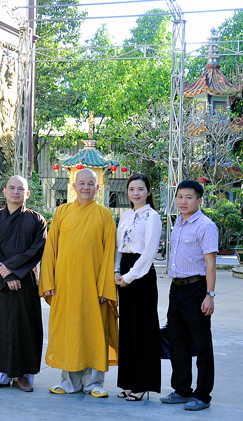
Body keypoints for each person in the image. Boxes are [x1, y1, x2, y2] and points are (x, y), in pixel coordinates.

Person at [39, 167, 118, 398]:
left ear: (97, 187)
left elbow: (109, 254)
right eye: (81, 183)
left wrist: (105, 286)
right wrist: (48, 281)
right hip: (65, 285)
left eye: (90, 184)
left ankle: (95, 383)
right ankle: (69, 382)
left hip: (93, 286)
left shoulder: (104, 215)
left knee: (94, 332)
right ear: (73, 186)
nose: (86, 187)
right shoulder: (62, 212)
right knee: (70, 332)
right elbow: (50, 249)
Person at [0, 175, 48, 393]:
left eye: (20, 189)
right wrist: (7, 276)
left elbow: (37, 250)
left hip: (25, 282)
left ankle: (23, 376)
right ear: (5, 191)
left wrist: (13, 270)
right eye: (11, 188)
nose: (15, 192)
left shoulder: (36, 220)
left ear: (27, 193)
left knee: (25, 327)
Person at [160, 179, 218, 411]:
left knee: (202, 344)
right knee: (177, 341)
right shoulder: (178, 222)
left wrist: (209, 294)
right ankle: (182, 390)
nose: (183, 201)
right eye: (180, 197)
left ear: (199, 201)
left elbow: (210, 264)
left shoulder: (205, 226)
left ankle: (202, 395)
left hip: (196, 289)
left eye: (189, 197)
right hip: (176, 289)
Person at [114, 173, 162, 401]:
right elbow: (118, 247)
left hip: (141, 275)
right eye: (132, 189)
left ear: (148, 192)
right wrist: (116, 271)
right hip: (124, 272)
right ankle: (128, 382)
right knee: (127, 329)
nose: (136, 193)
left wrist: (129, 276)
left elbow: (149, 251)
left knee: (143, 330)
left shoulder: (152, 217)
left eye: (140, 189)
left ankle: (142, 384)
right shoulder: (125, 215)